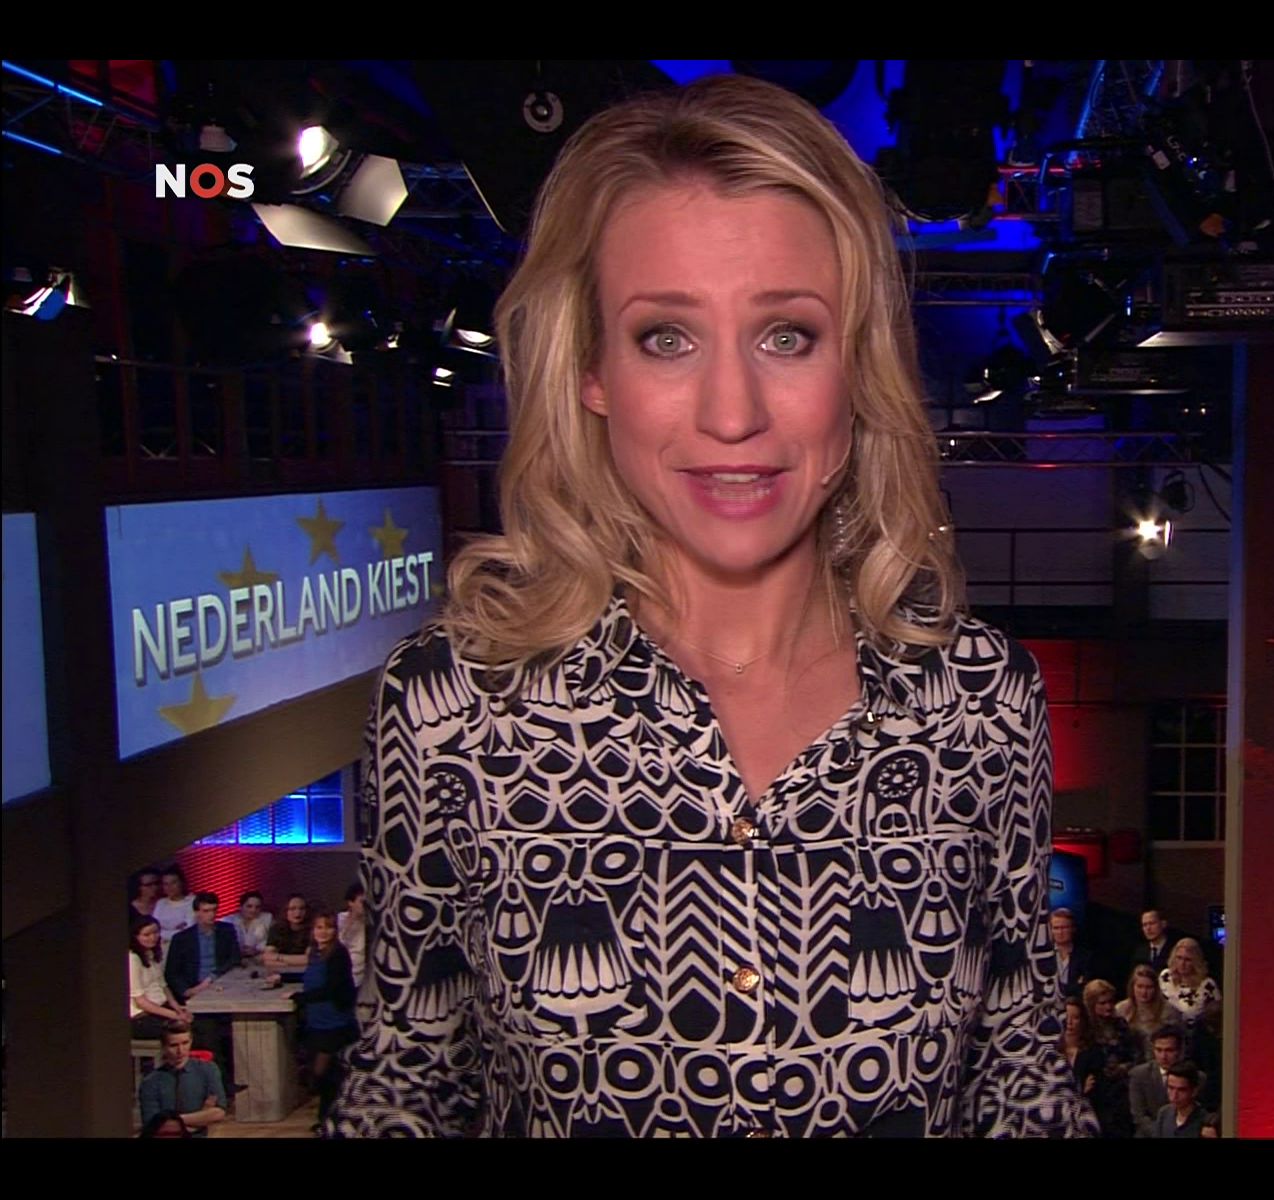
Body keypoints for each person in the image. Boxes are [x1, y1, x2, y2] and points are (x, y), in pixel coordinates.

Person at [328, 74, 1095, 1139]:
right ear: (591, 370)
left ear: (857, 366)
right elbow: (408, 1087)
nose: (733, 414)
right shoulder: (450, 706)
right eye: (666, 338)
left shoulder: (981, 702)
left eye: (787, 336)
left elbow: (1020, 1076)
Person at [272, 911, 356, 1129]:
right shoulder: (315, 952)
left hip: (334, 1021)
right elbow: (311, 976)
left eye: (328, 927)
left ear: (335, 931)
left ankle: (328, 1119)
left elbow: (332, 988)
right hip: (317, 1019)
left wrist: (300, 998)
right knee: (323, 1074)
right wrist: (283, 977)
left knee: (323, 1073)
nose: (323, 932)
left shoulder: (338, 954)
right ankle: (328, 1118)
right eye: (319, 927)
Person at [136, 1023, 227, 1137]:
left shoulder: (207, 1070)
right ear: (164, 1046)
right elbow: (154, 1125)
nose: (180, 1050)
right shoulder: (151, 1081)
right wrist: (201, 1118)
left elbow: (218, 1113)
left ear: (191, 1041)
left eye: (185, 1043)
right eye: (174, 1045)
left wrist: (174, 1120)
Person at [1077, 979, 1138, 1138]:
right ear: (1091, 1004)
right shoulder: (1085, 1030)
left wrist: (1124, 1068)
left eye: (1111, 1001)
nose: (1109, 1006)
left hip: (1122, 1090)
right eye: (1103, 1003)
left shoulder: (1121, 1025)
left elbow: (1134, 1054)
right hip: (1096, 1094)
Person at [1129, 1026, 1205, 1138]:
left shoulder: (1198, 1077)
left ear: (1180, 1051)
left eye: (1169, 1050)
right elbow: (1139, 1116)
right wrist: (1163, 1132)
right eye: (1158, 1050)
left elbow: (1201, 1112)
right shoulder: (1139, 1074)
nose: (1163, 1056)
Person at [163, 892, 239, 1003]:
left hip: (221, 985)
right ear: (196, 912)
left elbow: (235, 958)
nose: (211, 915)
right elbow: (171, 972)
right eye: (206, 911)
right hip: (193, 988)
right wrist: (186, 991)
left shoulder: (227, 930)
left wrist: (212, 978)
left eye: (214, 910)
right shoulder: (181, 938)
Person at [129, 915, 193, 1037]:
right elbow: (141, 1001)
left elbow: (163, 986)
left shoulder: (151, 954)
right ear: (135, 937)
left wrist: (177, 1008)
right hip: (141, 1016)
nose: (152, 938)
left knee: (196, 1020)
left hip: (161, 1008)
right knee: (180, 1028)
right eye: (146, 935)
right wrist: (174, 1015)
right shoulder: (133, 959)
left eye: (155, 933)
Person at [1158, 937, 1221, 1028]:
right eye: (1179, 958)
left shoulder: (1207, 985)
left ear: (1196, 961)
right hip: (1163, 1031)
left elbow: (1216, 1017)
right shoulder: (1165, 976)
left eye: (1187, 960)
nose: (1182, 963)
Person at [1116, 963, 1172, 1057]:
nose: (1144, 992)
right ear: (1132, 987)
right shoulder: (1121, 1009)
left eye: (1149, 987)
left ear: (1156, 988)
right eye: (1140, 986)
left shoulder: (1168, 1012)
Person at [1149, 1062, 1208, 1138]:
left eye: (1181, 1090)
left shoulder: (1204, 1121)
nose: (1174, 1095)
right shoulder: (1164, 1113)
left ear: (1194, 1091)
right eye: (1171, 1088)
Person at [1050, 907, 1093, 1002]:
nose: (1060, 932)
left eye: (1064, 928)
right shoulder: (1043, 955)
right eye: (1056, 928)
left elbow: (1083, 988)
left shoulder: (1085, 957)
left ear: (1073, 929)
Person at [262, 893, 312, 971]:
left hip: (305, 971)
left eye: (302, 909)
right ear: (285, 911)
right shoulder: (276, 929)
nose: (298, 913)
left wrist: (278, 958)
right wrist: (294, 962)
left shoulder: (313, 930)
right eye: (292, 909)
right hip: (280, 970)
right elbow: (267, 958)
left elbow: (308, 959)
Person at [151, 866, 195, 950]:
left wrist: (164, 930)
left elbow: (187, 931)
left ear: (181, 883)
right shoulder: (160, 903)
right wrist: (175, 928)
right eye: (166, 884)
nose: (169, 887)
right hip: (161, 948)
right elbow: (153, 930)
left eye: (173, 883)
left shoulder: (192, 902)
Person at [1131, 909, 1183, 977]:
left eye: (1152, 923)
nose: (1148, 928)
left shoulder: (1175, 950)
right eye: (1145, 925)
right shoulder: (1140, 952)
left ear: (1163, 924)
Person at [336, 883, 368, 991]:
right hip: (342, 973)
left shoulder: (372, 923)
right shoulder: (340, 919)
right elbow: (338, 944)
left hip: (363, 977)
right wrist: (352, 919)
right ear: (351, 902)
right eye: (362, 902)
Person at [226, 891, 273, 960]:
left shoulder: (267, 918)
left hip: (260, 959)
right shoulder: (229, 921)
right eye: (249, 906)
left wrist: (257, 950)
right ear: (240, 907)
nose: (253, 910)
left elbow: (272, 943)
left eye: (257, 907)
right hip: (234, 959)